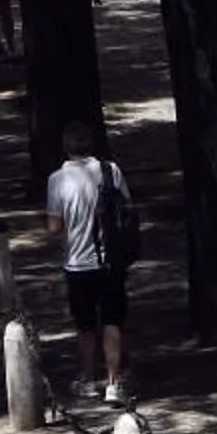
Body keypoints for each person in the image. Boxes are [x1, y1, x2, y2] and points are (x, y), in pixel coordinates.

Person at [46, 120, 133, 405]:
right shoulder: (111, 170)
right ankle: (113, 381)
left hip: (77, 263)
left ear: (65, 147)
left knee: (84, 325)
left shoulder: (57, 180)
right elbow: (127, 210)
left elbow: (54, 227)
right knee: (112, 321)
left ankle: (86, 377)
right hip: (110, 261)